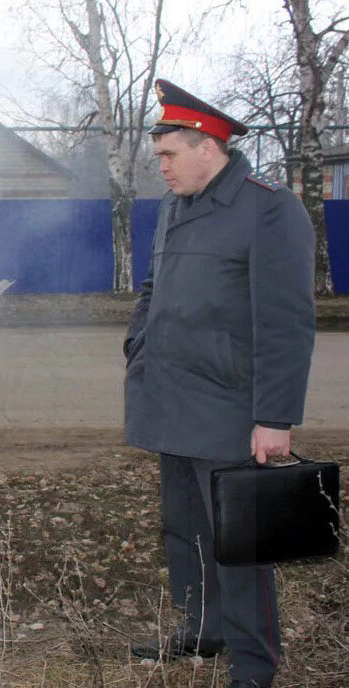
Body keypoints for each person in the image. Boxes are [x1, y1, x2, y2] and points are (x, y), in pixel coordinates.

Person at [124, 79, 315, 688]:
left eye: (168, 153)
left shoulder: (268, 207)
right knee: (183, 527)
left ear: (208, 145)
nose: (162, 165)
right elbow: (153, 289)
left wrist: (275, 416)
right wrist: (139, 345)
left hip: (230, 408)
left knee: (241, 541)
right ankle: (203, 628)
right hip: (170, 397)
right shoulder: (177, 205)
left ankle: (255, 664)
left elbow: (287, 321)